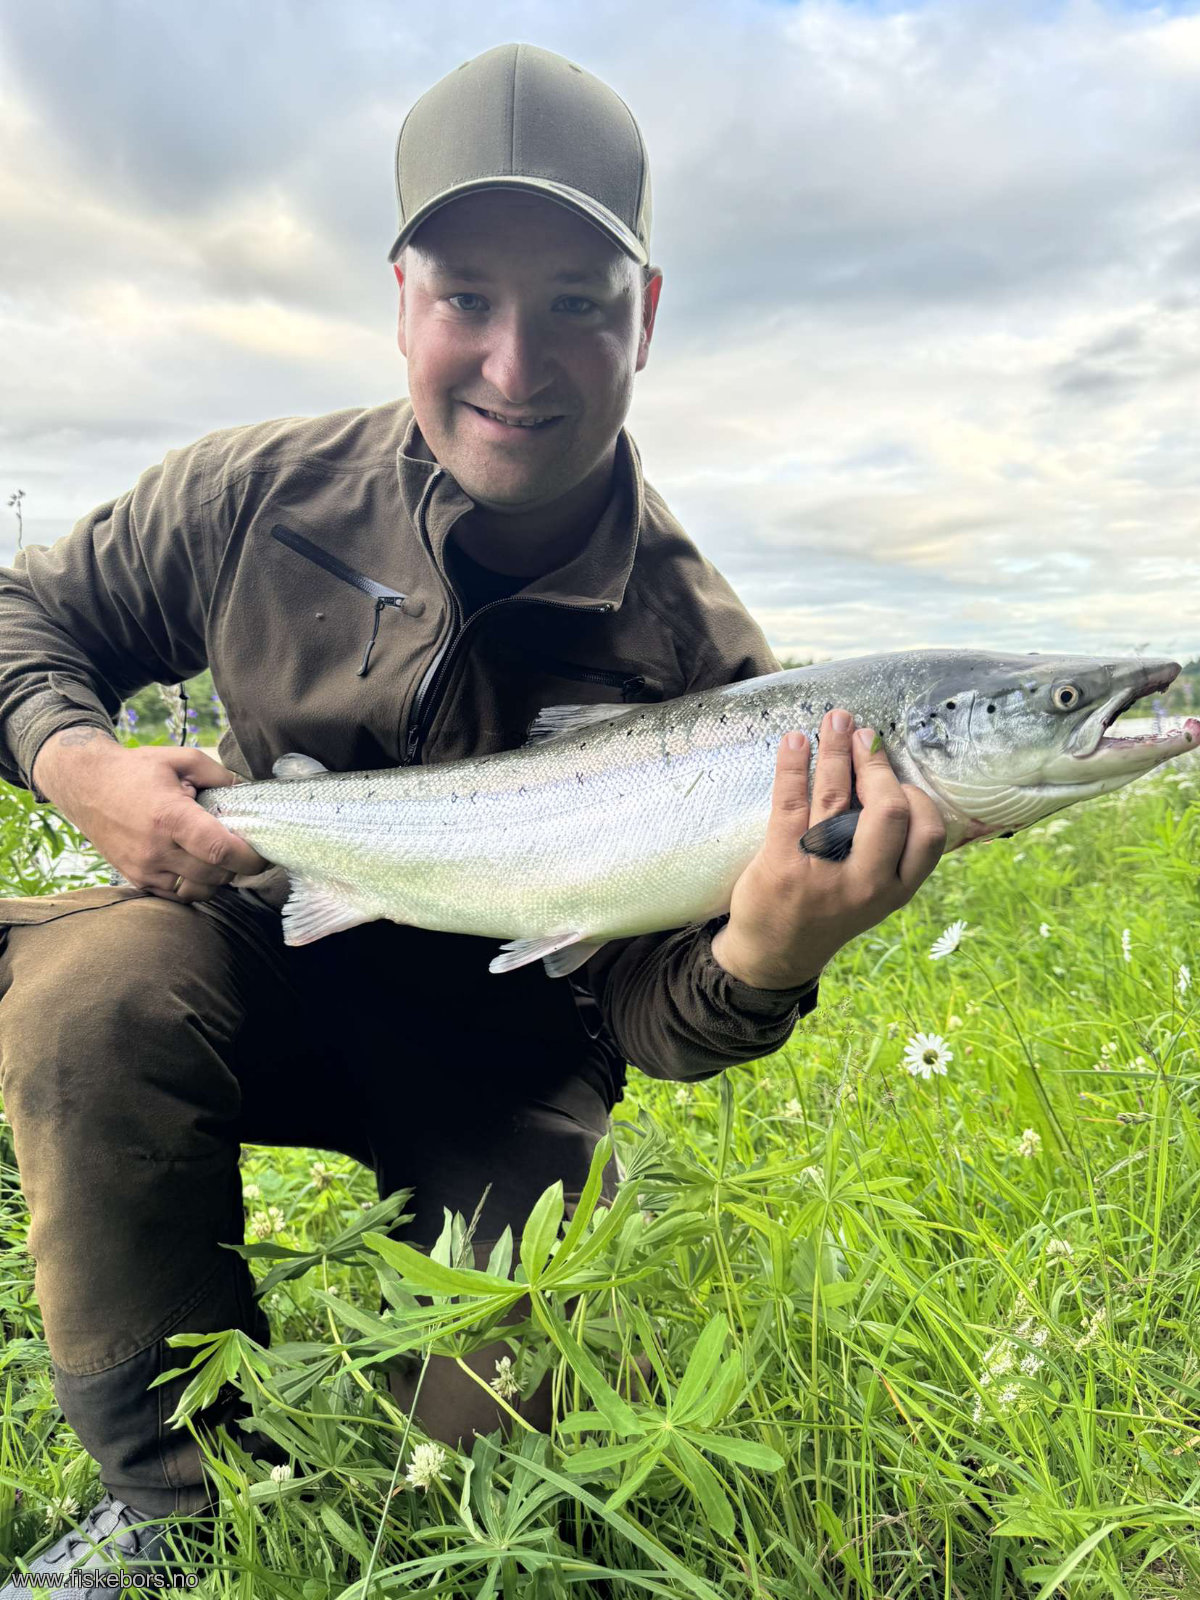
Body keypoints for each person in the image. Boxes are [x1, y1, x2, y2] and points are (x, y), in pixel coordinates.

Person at [0, 42, 944, 1590]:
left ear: (645, 316)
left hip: (509, 1071)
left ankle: (429, 1477)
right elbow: (23, 615)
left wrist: (763, 962)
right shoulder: (256, 496)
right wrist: (77, 762)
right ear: (402, 302)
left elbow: (648, 1015)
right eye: (467, 299)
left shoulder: (709, 660)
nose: (516, 363)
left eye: (575, 303)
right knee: (96, 990)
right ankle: (172, 1508)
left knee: (489, 1480)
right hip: (254, 968)